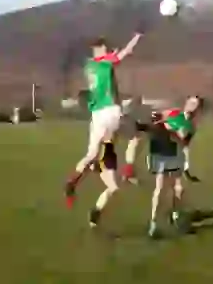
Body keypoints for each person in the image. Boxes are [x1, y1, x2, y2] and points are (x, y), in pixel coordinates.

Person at [64, 32, 144, 229]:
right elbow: (126, 52)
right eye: (105, 48)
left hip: (97, 115)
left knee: (91, 154)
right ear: (99, 48)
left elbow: (104, 65)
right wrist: (137, 36)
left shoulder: (89, 66)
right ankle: (129, 170)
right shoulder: (105, 62)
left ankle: (72, 182)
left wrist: (109, 56)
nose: (108, 50)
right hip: (111, 112)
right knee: (136, 136)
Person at [137, 96, 202, 238]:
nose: (192, 106)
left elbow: (184, 142)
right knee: (160, 188)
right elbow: (156, 118)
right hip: (161, 152)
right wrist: (156, 123)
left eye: (195, 105)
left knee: (178, 188)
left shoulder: (191, 126)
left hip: (175, 154)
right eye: (191, 102)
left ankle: (176, 215)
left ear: (198, 110)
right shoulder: (173, 113)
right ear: (186, 103)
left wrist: (173, 133)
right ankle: (153, 223)